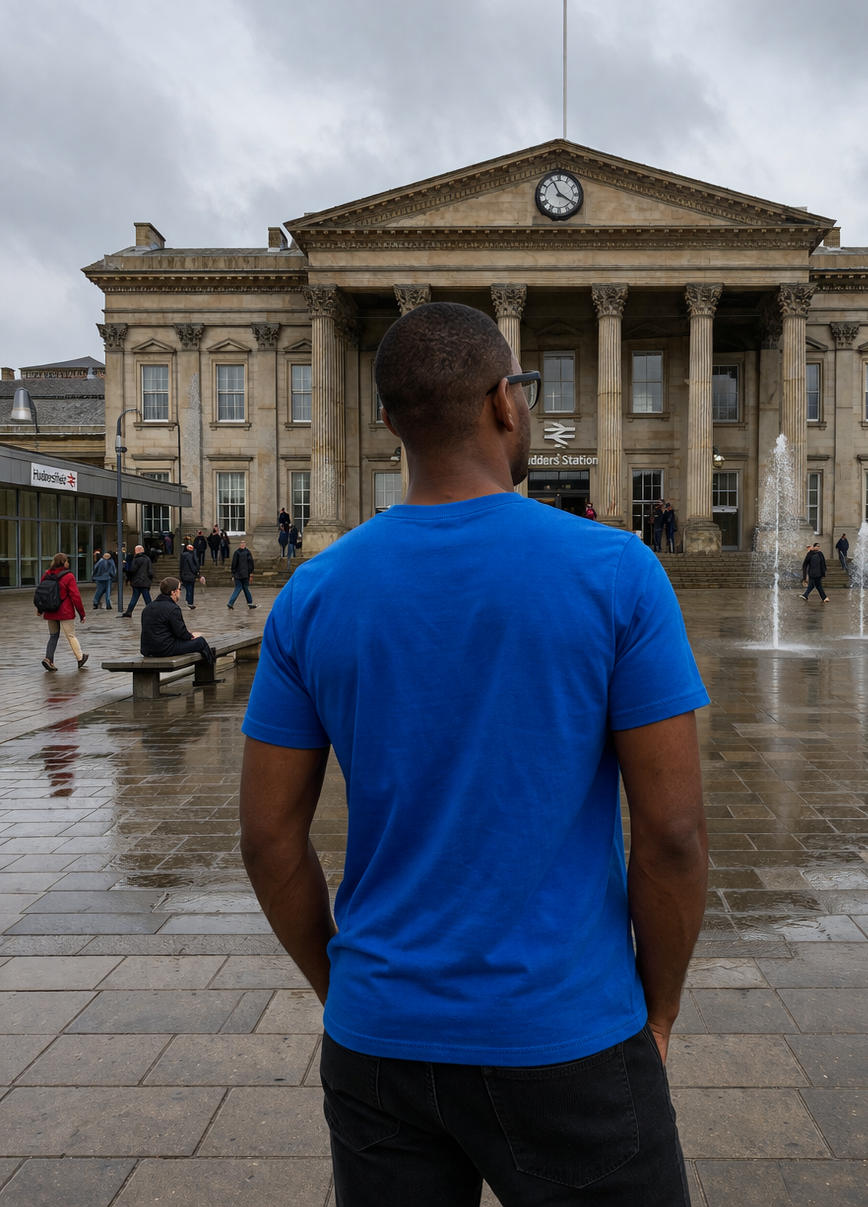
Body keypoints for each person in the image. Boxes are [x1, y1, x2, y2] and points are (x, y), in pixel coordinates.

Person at [238, 302, 709, 1206]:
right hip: (568, 1031)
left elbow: (266, 841)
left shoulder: (313, 595)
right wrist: (657, 1009)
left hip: (379, 1041)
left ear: (389, 423)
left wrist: (348, 990)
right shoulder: (617, 572)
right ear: (506, 403)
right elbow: (674, 834)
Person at [140, 577, 216, 666]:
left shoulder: (148, 607)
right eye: (179, 589)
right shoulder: (173, 608)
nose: (180, 592)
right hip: (165, 649)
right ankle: (209, 670)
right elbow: (181, 633)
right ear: (173, 592)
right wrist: (191, 636)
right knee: (201, 642)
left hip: (147, 649)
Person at [37, 552, 88, 671]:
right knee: (70, 635)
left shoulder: (47, 574)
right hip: (65, 611)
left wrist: (40, 609)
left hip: (50, 610)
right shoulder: (68, 576)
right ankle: (80, 658)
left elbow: (43, 593)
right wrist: (82, 614)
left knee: (53, 636)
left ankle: (48, 659)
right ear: (65, 562)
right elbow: (75, 596)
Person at [123, 546, 154, 617]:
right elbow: (150, 571)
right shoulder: (147, 559)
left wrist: (128, 576)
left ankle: (129, 612)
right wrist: (149, 579)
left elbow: (133, 570)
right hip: (145, 581)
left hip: (136, 582)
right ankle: (152, 612)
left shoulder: (136, 559)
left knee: (134, 597)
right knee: (147, 598)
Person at [228, 538, 257, 609]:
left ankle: (231, 602)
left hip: (238, 574)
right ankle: (249, 603)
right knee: (244, 588)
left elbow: (234, 564)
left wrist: (233, 572)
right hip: (245, 574)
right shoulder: (247, 552)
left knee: (239, 587)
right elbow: (250, 564)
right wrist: (250, 573)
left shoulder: (236, 552)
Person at [178, 541, 200, 609]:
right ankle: (189, 603)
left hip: (184, 574)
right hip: (190, 574)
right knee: (190, 589)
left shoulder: (183, 555)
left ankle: (187, 601)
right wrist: (196, 572)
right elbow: (193, 565)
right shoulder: (190, 555)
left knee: (187, 588)